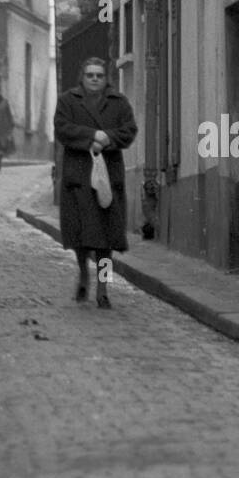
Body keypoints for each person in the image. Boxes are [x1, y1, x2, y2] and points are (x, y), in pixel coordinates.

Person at [53, 57, 137, 309]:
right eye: (90, 75)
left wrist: (107, 139)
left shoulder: (118, 103)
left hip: (107, 178)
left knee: (105, 238)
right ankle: (82, 272)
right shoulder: (68, 101)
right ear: (83, 77)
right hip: (78, 176)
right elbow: (62, 128)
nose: (94, 79)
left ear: (105, 78)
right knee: (80, 235)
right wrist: (91, 136)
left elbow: (129, 130)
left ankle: (102, 288)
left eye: (99, 75)